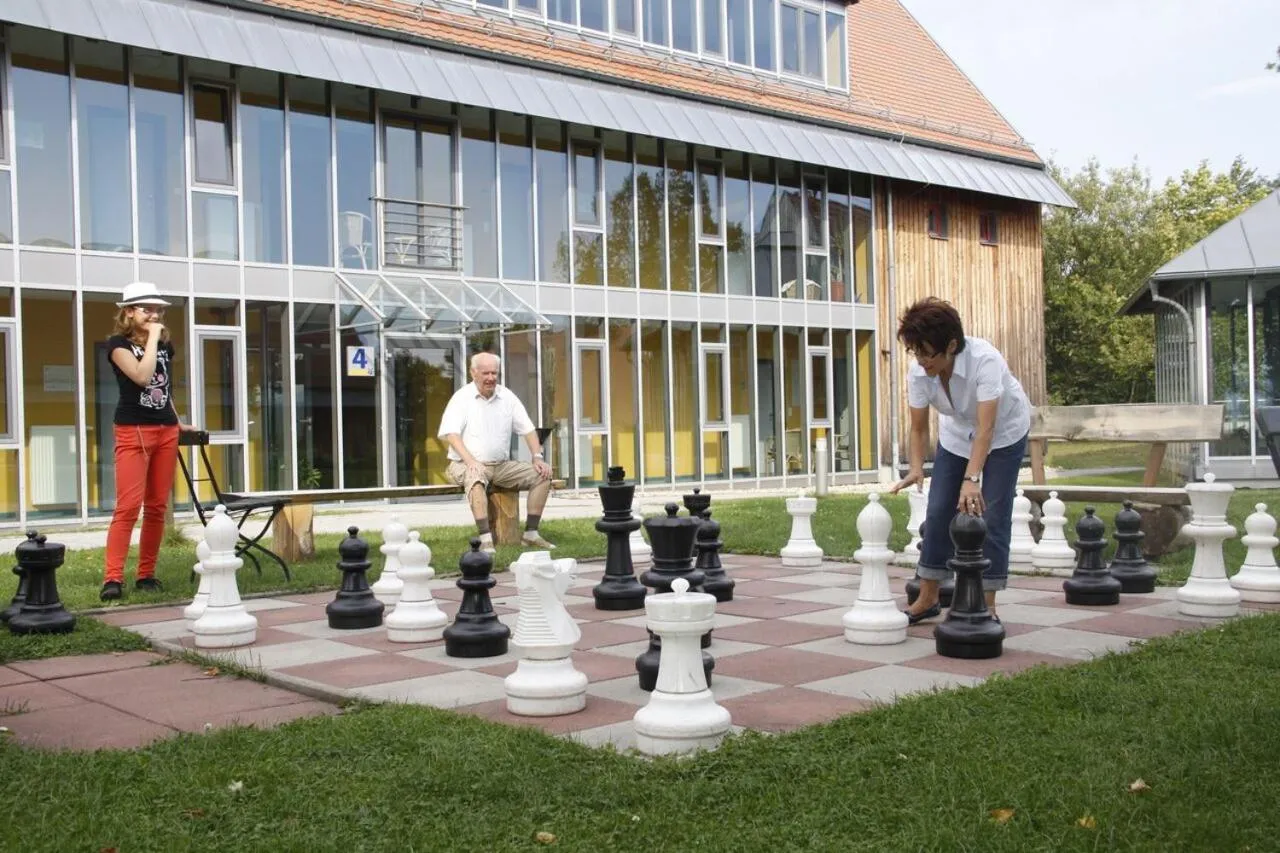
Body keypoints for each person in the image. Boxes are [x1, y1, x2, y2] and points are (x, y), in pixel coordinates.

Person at [889, 297, 1031, 623]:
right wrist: (914, 467)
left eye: (928, 352)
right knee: (938, 510)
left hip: (1003, 435)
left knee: (990, 514)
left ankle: (987, 604)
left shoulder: (986, 361)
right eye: (916, 352)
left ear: (951, 345)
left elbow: (986, 428)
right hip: (956, 436)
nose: (922, 360)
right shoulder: (919, 372)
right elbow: (919, 427)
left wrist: (972, 480)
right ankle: (927, 598)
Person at [101, 282, 199, 601]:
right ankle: (113, 577)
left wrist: (177, 420)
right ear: (128, 312)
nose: (154, 314)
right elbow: (142, 377)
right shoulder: (118, 345)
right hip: (133, 430)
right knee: (128, 507)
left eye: (158, 309)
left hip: (165, 431)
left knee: (157, 506)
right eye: (147, 309)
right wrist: (154, 339)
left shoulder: (164, 346)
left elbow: (163, 387)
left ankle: (146, 574)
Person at [438, 352, 555, 554]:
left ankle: (531, 534)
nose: (491, 378)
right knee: (475, 477)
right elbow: (452, 435)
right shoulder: (461, 398)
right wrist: (471, 461)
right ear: (473, 373)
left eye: (494, 373)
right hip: (463, 463)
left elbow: (528, 430)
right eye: (486, 373)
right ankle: (485, 540)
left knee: (543, 474)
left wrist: (537, 457)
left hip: (500, 465)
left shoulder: (507, 397)